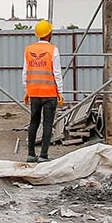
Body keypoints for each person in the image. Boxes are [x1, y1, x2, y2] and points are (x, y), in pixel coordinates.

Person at [23, 19, 64, 163]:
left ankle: (30, 154)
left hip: (34, 93)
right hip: (49, 94)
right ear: (49, 33)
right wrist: (60, 93)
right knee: (47, 124)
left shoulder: (29, 50)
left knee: (33, 123)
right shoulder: (53, 50)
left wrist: (27, 91)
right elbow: (57, 73)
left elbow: (25, 72)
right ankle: (43, 155)